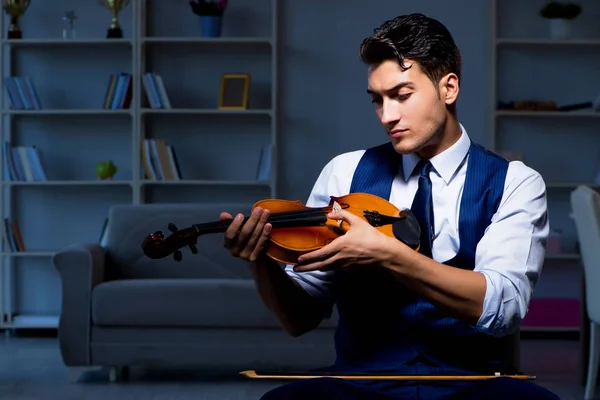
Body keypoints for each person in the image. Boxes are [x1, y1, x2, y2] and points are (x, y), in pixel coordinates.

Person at [220, 13, 560, 400]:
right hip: (362, 385)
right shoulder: (344, 174)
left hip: (472, 386)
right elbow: (300, 319)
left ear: (448, 88)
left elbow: (502, 308)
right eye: (377, 100)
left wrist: (388, 255)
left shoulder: (515, 182)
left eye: (402, 95)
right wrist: (261, 261)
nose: (388, 115)